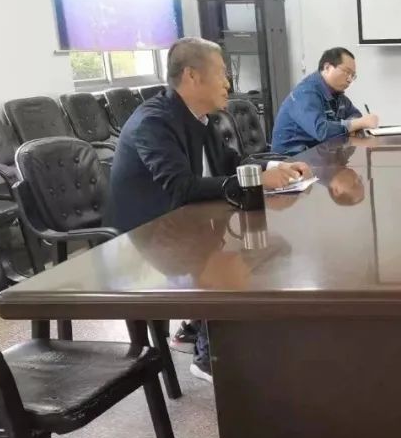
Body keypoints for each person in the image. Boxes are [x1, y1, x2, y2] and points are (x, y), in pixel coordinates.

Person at [105, 37, 311, 383]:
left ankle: (204, 326)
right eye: (221, 73)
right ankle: (207, 355)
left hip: (189, 222)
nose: (228, 83)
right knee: (224, 265)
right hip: (145, 236)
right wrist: (255, 181)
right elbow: (181, 187)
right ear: (192, 75)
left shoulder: (202, 118)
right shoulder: (153, 122)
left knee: (273, 248)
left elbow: (230, 163)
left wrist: (276, 167)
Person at [271, 47, 380, 155]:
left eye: (353, 75)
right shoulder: (306, 92)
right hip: (292, 159)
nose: (349, 79)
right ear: (327, 67)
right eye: (346, 72)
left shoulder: (337, 93)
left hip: (319, 155)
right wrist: (357, 124)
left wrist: (353, 125)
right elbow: (321, 131)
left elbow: (354, 114)